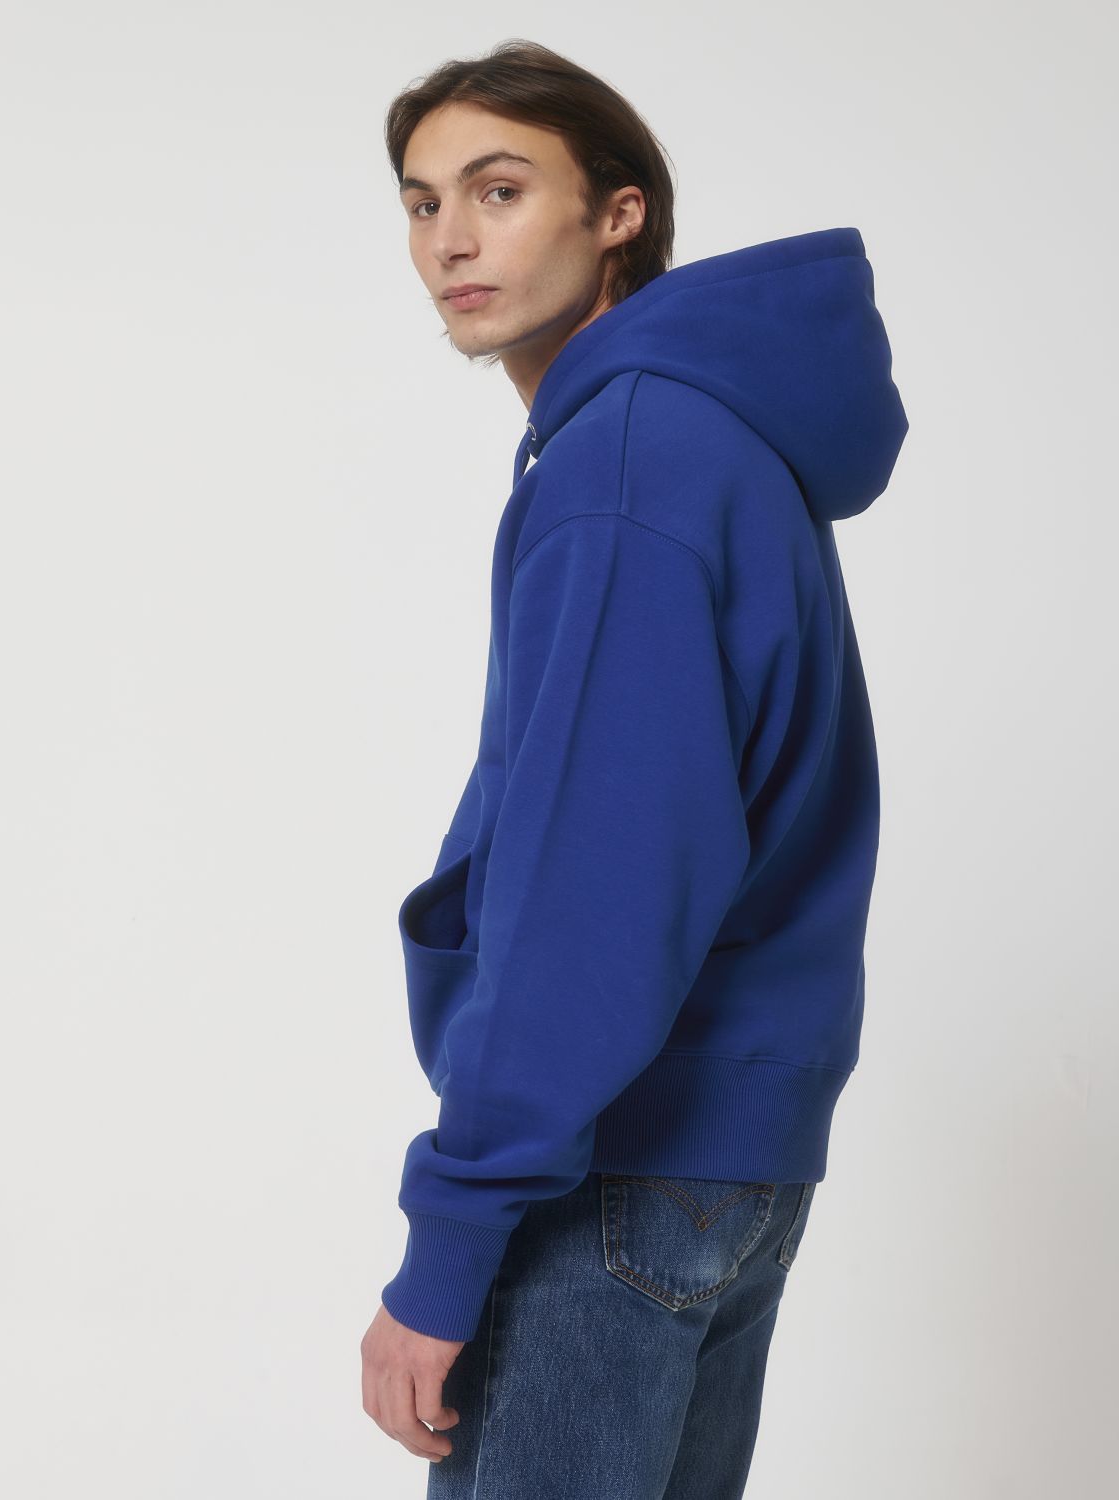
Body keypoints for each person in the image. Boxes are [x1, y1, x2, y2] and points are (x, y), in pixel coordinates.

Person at [360, 38, 908, 1500]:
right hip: (731, 1160)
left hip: (611, 1161)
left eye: (499, 190)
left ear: (619, 213)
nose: (451, 240)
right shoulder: (715, 440)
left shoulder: (624, 466)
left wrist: (451, 1236)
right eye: (421, 202)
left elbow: (596, 888)